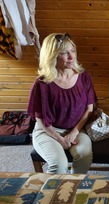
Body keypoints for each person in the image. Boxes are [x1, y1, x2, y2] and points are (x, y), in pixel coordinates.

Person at [27, 33, 97, 174]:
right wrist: (59, 139)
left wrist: (74, 132)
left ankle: (72, 187)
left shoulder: (83, 77)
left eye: (73, 51)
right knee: (59, 165)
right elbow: (41, 120)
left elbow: (89, 109)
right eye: (64, 53)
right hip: (47, 131)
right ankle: (53, 195)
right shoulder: (42, 83)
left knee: (84, 156)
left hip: (76, 129)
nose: (71, 57)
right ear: (52, 56)